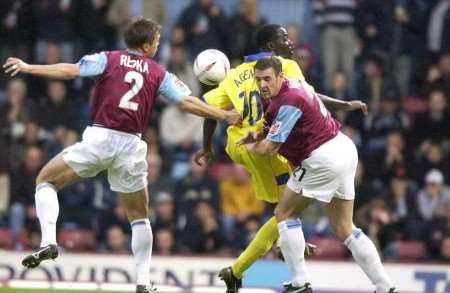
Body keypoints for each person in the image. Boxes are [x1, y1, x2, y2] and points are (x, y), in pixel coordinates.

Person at [3, 17, 240, 293]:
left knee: (45, 180)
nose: (158, 46)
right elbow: (186, 102)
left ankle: (48, 241)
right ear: (148, 45)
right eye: (157, 42)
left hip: (100, 138)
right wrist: (224, 115)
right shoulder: (157, 72)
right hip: (131, 146)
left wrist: (29, 66)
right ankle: (142, 281)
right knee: (139, 217)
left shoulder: (108, 59)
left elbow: (71, 70)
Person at [194, 24, 367, 292]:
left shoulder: (233, 75)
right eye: (284, 38)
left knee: (283, 212)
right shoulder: (285, 66)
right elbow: (308, 96)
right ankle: (245, 266)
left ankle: (287, 241)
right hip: (267, 144)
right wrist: (344, 105)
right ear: (272, 47)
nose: (290, 42)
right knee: (287, 211)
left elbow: (208, 110)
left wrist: (207, 147)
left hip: (239, 144)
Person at [237, 56, 397, 293]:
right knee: (344, 227)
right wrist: (256, 134)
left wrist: (249, 150)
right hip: (343, 148)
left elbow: (270, 149)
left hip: (322, 158)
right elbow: (309, 101)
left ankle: (300, 283)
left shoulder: (288, 101)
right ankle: (385, 286)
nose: (262, 85)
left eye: (268, 79)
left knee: (284, 212)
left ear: (280, 76)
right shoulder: (295, 85)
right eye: (259, 80)